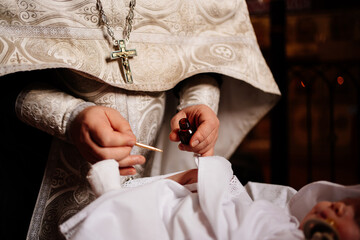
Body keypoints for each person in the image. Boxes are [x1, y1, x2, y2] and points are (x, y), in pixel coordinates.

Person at [0, 0, 280, 239]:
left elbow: (203, 49)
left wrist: (200, 102)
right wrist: (69, 117)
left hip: (153, 178)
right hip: (30, 173)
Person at [60, 156, 360, 240]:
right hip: (218, 223)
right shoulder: (285, 215)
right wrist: (218, 189)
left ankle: (115, 200)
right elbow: (247, 212)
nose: (339, 206)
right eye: (347, 202)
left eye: (355, 217)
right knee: (182, 201)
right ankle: (118, 199)